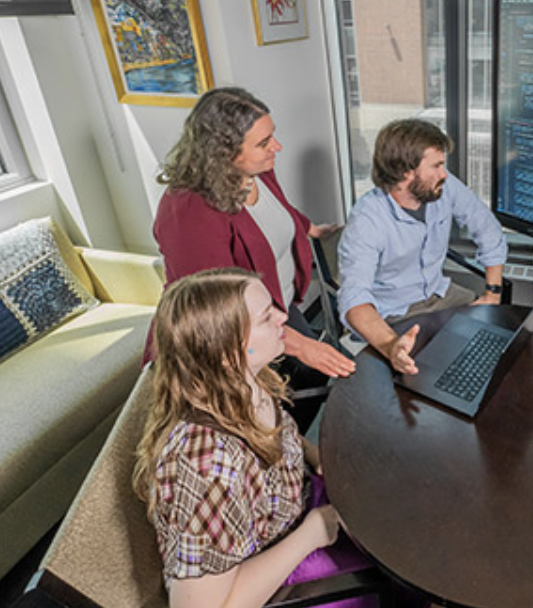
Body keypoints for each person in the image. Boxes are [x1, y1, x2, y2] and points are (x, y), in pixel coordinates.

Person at [133, 269, 375, 608]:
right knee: (404, 561)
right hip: (278, 566)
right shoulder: (205, 466)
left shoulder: (243, 382)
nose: (282, 318)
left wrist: (316, 457)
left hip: (298, 507)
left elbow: (278, 439)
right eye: (266, 317)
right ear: (227, 351)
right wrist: (311, 534)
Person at [149, 86, 354, 432]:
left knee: (309, 390)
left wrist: (308, 228)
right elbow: (216, 312)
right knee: (264, 417)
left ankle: (289, 456)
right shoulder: (188, 211)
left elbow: (279, 212)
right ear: (223, 153)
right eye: (263, 143)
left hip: (277, 310)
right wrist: (301, 346)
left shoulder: (256, 170)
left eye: (272, 137)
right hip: (227, 338)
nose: (277, 147)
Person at [337, 118, 508, 375]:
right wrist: (391, 345)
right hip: (394, 315)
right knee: (425, 379)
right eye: (437, 166)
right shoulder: (367, 220)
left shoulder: (444, 187)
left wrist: (492, 294)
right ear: (406, 172)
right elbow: (354, 300)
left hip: (440, 294)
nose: (444, 174)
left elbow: (487, 228)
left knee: (497, 342)